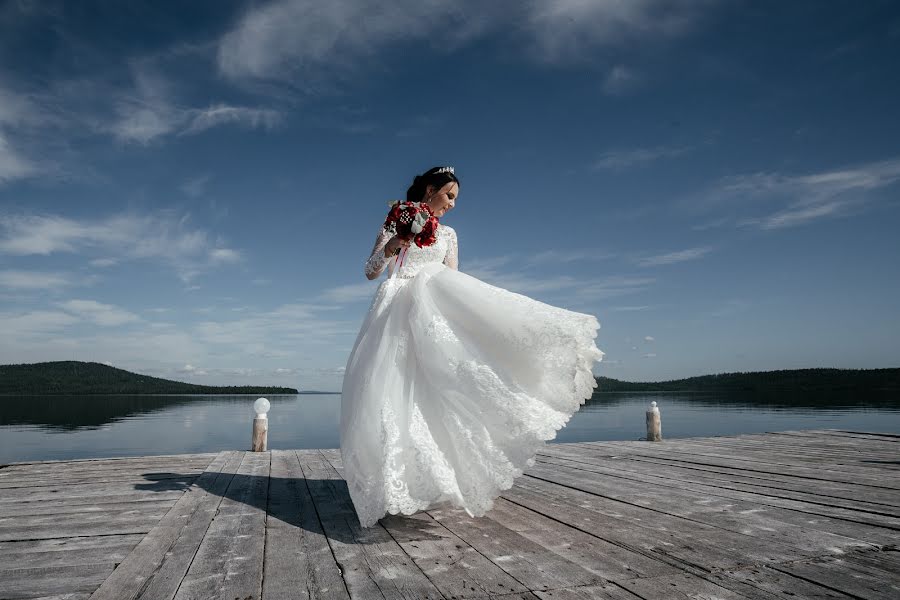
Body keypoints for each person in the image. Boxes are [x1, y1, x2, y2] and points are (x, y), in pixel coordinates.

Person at [340, 165, 604, 528]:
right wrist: (392, 245)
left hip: (430, 311)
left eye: (455, 199)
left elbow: (454, 279)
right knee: (387, 390)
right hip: (392, 309)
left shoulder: (449, 234)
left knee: (439, 388)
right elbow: (371, 271)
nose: (451, 205)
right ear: (430, 189)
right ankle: (390, 479)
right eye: (448, 195)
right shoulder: (394, 220)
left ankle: (438, 474)